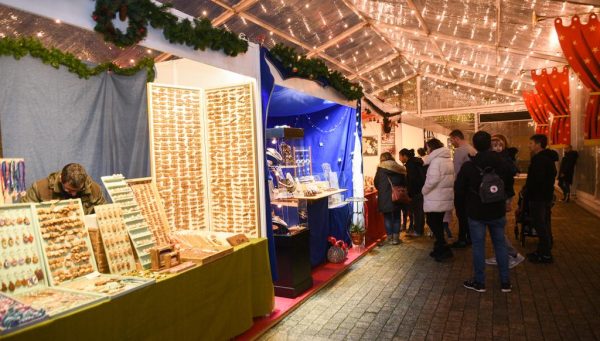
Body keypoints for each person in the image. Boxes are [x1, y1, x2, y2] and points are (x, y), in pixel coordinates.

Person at [455, 131, 513, 293]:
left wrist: (464, 206)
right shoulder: (502, 163)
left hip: (476, 212)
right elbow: (509, 183)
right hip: (497, 211)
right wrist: (506, 200)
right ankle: (505, 282)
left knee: (478, 247)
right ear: (489, 144)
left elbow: (459, 190)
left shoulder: (469, 166)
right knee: (500, 245)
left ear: (475, 145)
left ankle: (480, 283)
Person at [485, 134, 525, 268]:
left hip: (500, 198)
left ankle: (513, 254)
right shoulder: (503, 159)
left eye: (498, 144)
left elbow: (505, 182)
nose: (495, 147)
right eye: (493, 145)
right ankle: (501, 256)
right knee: (496, 228)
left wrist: (507, 201)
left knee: (496, 229)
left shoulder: (503, 161)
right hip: (500, 197)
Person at [21, 163, 107, 214]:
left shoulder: (95, 190)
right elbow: (23, 212)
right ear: (60, 178)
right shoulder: (39, 189)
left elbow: (104, 214)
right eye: (69, 190)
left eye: (78, 191)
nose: (74, 194)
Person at [525, 134, 557, 264]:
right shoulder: (548, 158)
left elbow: (536, 180)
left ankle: (545, 254)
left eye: (531, 143)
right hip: (546, 196)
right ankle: (544, 249)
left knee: (540, 224)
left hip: (538, 197)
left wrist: (528, 191)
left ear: (538, 144)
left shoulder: (539, 160)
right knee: (545, 223)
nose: (529, 145)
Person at [422, 138, 454, 262]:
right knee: (438, 223)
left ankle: (442, 247)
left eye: (427, 148)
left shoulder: (436, 161)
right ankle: (441, 247)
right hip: (443, 197)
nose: (427, 150)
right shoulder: (447, 159)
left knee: (431, 221)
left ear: (432, 148)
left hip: (435, 197)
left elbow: (433, 180)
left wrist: (424, 190)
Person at [449, 129, 477, 249]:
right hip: (471, 187)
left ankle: (462, 239)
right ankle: (469, 237)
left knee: (461, 214)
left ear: (456, 138)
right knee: (468, 213)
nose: (451, 143)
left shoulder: (460, 151)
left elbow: (457, 171)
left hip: (462, 187)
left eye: (451, 140)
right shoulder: (471, 149)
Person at [374, 152, 407, 245]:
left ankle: (389, 238)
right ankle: (396, 239)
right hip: (397, 196)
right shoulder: (399, 168)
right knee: (397, 217)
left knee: (387, 218)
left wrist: (383, 189)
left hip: (385, 197)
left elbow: (376, 183)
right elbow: (405, 183)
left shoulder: (380, 169)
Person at [399, 148, 425, 237]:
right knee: (420, 211)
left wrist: (409, 193)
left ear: (405, 156)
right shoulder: (418, 161)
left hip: (415, 191)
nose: (399, 159)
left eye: (400, 156)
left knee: (417, 212)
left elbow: (411, 181)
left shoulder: (410, 165)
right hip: (421, 189)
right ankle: (419, 229)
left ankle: (418, 231)